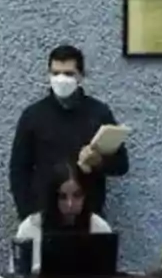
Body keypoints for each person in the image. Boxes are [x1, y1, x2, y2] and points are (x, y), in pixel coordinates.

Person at [8, 45, 129, 219]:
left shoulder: (98, 113)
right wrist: (27, 215)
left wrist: (99, 162)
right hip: (44, 216)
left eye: (68, 73)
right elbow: (18, 170)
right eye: (55, 73)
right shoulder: (33, 116)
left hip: (89, 216)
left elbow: (122, 165)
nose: (61, 79)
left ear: (81, 75)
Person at [13, 161, 113, 273]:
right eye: (62, 197)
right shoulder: (30, 229)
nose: (70, 204)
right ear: (53, 198)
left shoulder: (99, 229)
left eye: (77, 195)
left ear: (85, 196)